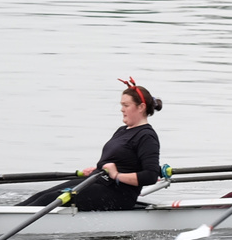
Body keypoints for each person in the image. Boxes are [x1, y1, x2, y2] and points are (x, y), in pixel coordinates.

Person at [18, 77, 163, 213]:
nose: (122, 109)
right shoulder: (122, 131)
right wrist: (98, 168)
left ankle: (9, 222)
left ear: (141, 107)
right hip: (100, 182)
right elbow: (120, 160)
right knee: (41, 196)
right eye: (121, 105)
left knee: (48, 200)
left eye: (126, 105)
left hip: (119, 194)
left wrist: (116, 175)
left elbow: (150, 175)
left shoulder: (147, 136)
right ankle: (3, 214)